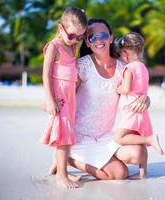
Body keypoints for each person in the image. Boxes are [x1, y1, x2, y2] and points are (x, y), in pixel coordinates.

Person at [62, 18, 150, 180]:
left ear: (110, 37)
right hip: (80, 138)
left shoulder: (123, 68)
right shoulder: (82, 66)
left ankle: (105, 159)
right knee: (120, 174)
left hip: (107, 136)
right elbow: (65, 98)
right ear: (88, 43)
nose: (98, 40)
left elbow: (137, 91)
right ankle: (68, 159)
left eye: (102, 35)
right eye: (92, 37)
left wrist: (146, 99)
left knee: (138, 154)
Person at [39, 7, 87, 188]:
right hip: (60, 97)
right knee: (62, 135)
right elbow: (45, 75)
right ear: (61, 27)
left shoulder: (72, 45)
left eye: (80, 37)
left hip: (70, 96)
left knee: (67, 132)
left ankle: (58, 166)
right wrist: (50, 100)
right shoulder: (54, 47)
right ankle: (62, 175)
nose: (76, 40)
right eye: (73, 35)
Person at [114, 32, 164, 179]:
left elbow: (126, 88)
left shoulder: (129, 68)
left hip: (131, 109)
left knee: (120, 137)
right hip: (141, 110)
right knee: (138, 139)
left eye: (120, 54)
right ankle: (143, 173)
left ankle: (151, 139)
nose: (121, 57)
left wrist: (117, 88)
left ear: (125, 52)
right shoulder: (143, 67)